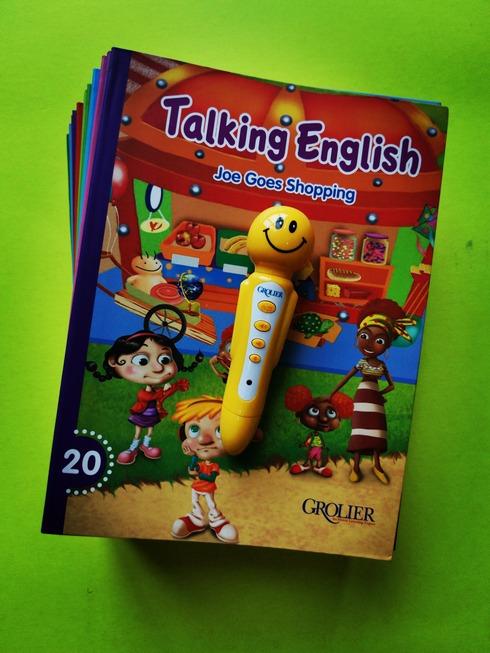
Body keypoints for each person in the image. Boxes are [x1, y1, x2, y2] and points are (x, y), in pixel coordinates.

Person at [328, 299, 415, 484]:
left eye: (379, 340)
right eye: (364, 336)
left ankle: (377, 465)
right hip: (362, 397)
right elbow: (346, 378)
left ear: (387, 345)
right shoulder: (362, 363)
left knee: (376, 429)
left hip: (374, 399)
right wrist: (332, 393)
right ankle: (356, 466)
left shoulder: (381, 365)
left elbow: (391, 385)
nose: (369, 344)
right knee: (360, 428)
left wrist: (380, 395)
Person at [170, 395, 238, 544]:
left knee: (211, 504)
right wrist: (193, 457)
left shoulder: (213, 466)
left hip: (208, 488)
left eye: (219, 430)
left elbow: (211, 477)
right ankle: (197, 518)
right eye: (194, 430)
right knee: (195, 501)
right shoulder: (200, 463)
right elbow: (192, 470)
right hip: (197, 487)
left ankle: (217, 520)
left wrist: (200, 474)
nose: (203, 440)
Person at [285, 385, 353, 477]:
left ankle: (318, 467)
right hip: (313, 448)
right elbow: (309, 440)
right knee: (310, 456)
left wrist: (323, 447)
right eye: (314, 411)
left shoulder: (318, 435)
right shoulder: (312, 435)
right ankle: (306, 465)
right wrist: (306, 444)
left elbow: (320, 441)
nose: (324, 419)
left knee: (318, 458)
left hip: (318, 449)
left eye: (331, 413)